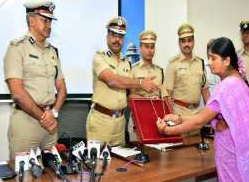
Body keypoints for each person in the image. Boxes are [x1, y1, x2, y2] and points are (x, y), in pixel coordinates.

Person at [157, 37, 249, 182]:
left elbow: (199, 121)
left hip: (233, 155)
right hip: (247, 154)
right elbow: (206, 116)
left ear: (227, 61)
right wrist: (179, 118)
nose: (209, 62)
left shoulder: (225, 88)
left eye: (213, 58)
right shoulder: (240, 82)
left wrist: (166, 130)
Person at [4, 2, 66, 160]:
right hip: (26, 123)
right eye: (44, 20)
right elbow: (17, 93)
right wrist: (45, 119)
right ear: (31, 20)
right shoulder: (17, 48)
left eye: (50, 21)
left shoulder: (53, 51)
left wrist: (54, 112)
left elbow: (62, 88)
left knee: (54, 170)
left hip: (50, 124)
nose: (49, 25)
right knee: (23, 172)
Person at [86, 17, 160, 145]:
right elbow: (112, 80)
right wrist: (140, 83)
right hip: (101, 121)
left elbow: (129, 96)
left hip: (120, 122)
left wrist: (148, 101)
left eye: (120, 36)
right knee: (99, 158)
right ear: (107, 37)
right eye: (113, 35)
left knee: (119, 157)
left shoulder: (126, 63)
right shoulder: (99, 57)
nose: (117, 39)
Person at [163, 24, 210, 136]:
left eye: (189, 40)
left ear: (193, 42)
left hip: (197, 115)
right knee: (181, 146)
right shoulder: (173, 64)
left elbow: (206, 93)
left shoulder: (200, 63)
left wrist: (210, 116)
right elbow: (167, 95)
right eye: (183, 41)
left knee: (195, 144)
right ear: (179, 43)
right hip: (179, 114)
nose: (186, 44)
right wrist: (172, 118)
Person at [127, 30, 166, 142]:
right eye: (146, 47)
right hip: (138, 119)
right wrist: (148, 101)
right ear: (140, 48)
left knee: (156, 151)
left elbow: (163, 95)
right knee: (138, 151)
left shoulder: (159, 70)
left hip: (157, 120)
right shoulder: (133, 69)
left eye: (152, 47)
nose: (150, 50)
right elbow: (130, 97)